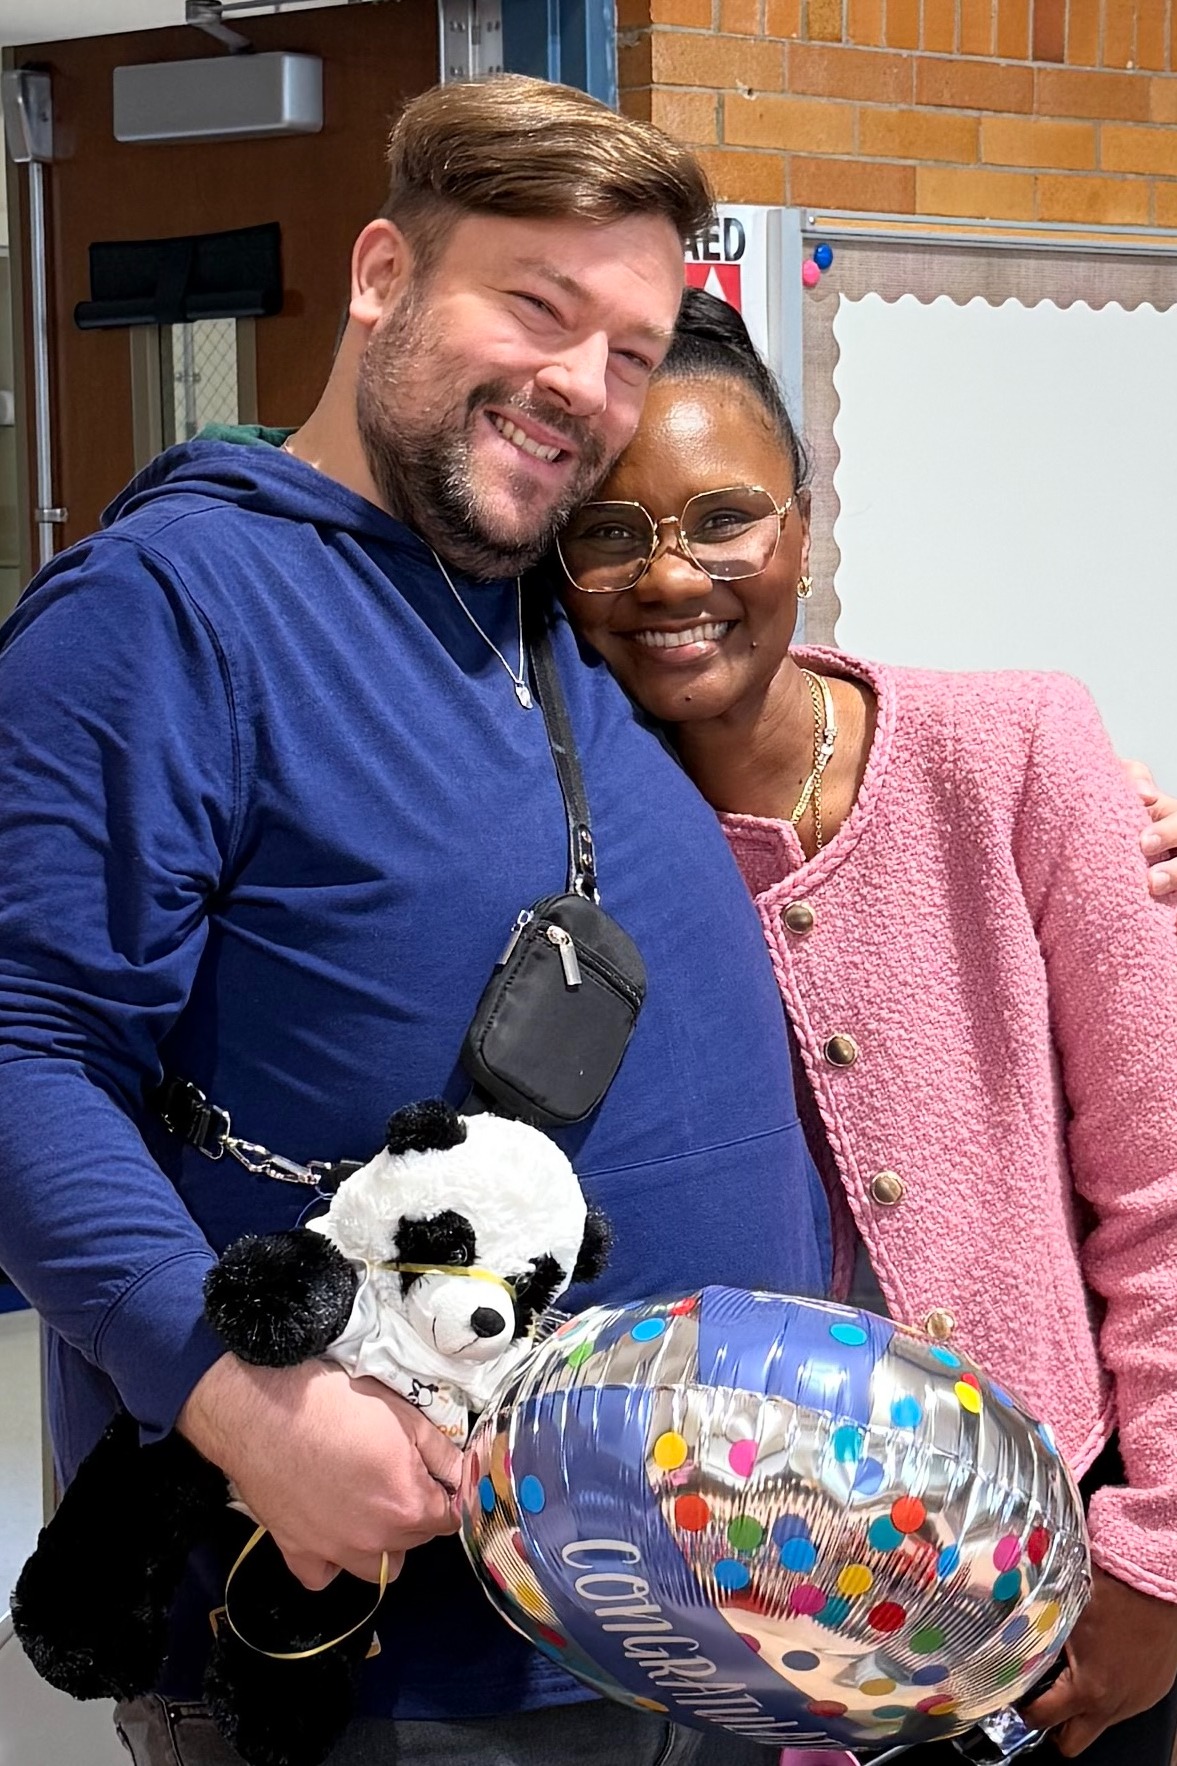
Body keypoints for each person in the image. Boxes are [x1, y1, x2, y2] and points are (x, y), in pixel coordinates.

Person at [0, 83, 830, 1766]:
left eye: (627, 347)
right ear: (382, 273)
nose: (583, 391)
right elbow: (20, 1047)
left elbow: (777, 715)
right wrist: (245, 1401)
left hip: (700, 1624)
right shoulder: (164, 614)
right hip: (388, 1665)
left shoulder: (534, 604)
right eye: (535, 306)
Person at [556, 286, 1177, 1765]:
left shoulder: (1013, 748)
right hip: (722, 1591)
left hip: (1053, 1543)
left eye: (723, 517)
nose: (670, 576)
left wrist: (1156, 1561)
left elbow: (1160, 1185)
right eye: (607, 532)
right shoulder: (553, 840)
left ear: (801, 521)